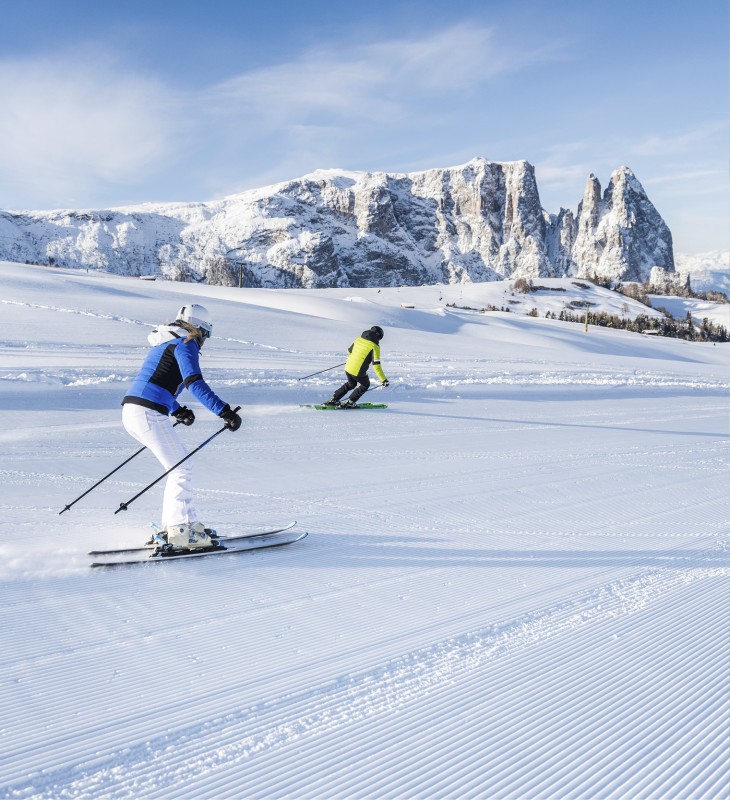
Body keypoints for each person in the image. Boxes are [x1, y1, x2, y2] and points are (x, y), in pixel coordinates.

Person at [121, 303, 241, 550]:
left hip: (134, 410)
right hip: (147, 412)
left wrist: (177, 409)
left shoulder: (166, 341)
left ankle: (181, 525)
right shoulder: (186, 343)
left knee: (178, 465)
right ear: (199, 329)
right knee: (181, 467)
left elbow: (157, 380)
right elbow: (194, 382)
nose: (204, 341)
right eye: (206, 335)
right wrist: (224, 411)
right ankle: (179, 531)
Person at [323, 325, 389, 408]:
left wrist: (354, 359)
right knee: (365, 385)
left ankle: (333, 399)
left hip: (348, 367)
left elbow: (349, 351)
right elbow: (376, 365)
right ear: (379, 336)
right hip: (358, 371)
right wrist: (384, 380)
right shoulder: (375, 347)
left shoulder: (359, 339)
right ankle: (350, 402)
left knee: (351, 384)